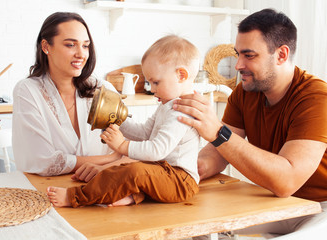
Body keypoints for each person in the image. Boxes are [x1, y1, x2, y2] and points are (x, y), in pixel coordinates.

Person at [173, 8, 327, 238]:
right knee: (193, 230)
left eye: (249, 55)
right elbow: (216, 155)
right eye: (238, 54)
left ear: (281, 55)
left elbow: (287, 181)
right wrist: (176, 172)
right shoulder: (246, 92)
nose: (238, 65)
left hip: (321, 207)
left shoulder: (316, 98)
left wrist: (218, 131)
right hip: (277, 202)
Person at [46, 35, 201, 207]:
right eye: (150, 83)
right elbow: (144, 134)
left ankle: (74, 197)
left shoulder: (183, 112)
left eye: (156, 82)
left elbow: (157, 150)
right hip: (163, 174)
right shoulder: (167, 105)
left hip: (180, 181)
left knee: (133, 171)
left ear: (181, 75)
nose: (152, 89)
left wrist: (122, 146)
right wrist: (117, 120)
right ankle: (132, 196)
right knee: (118, 169)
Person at [12, 12, 126, 178]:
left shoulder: (102, 88)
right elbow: (43, 162)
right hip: (45, 192)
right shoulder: (28, 91)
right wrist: (111, 158)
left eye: (85, 46)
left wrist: (171, 107)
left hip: (100, 187)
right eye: (70, 45)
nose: (81, 54)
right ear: (45, 47)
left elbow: (137, 145)